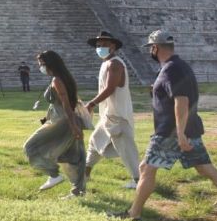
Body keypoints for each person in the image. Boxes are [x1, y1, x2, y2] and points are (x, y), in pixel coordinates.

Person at [121, 29, 217, 221]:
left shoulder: (171, 69)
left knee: (147, 169)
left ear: (155, 48)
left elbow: (181, 101)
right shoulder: (179, 66)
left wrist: (180, 133)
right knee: (205, 168)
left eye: (151, 48)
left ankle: (133, 214)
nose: (151, 52)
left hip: (170, 133)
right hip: (186, 129)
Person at [23, 50, 86, 198]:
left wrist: (73, 126)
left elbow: (66, 105)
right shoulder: (63, 78)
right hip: (63, 121)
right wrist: (47, 119)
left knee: (30, 147)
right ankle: (77, 191)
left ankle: (53, 175)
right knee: (72, 156)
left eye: (42, 64)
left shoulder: (57, 80)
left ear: (49, 64)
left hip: (63, 122)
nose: (40, 67)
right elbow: (58, 105)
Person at [83, 31, 141, 189]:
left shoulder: (115, 64)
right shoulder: (106, 63)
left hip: (118, 116)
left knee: (127, 150)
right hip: (108, 115)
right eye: (98, 45)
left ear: (113, 46)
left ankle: (138, 181)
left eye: (104, 45)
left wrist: (92, 103)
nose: (100, 47)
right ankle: (85, 174)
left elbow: (110, 88)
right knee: (94, 142)